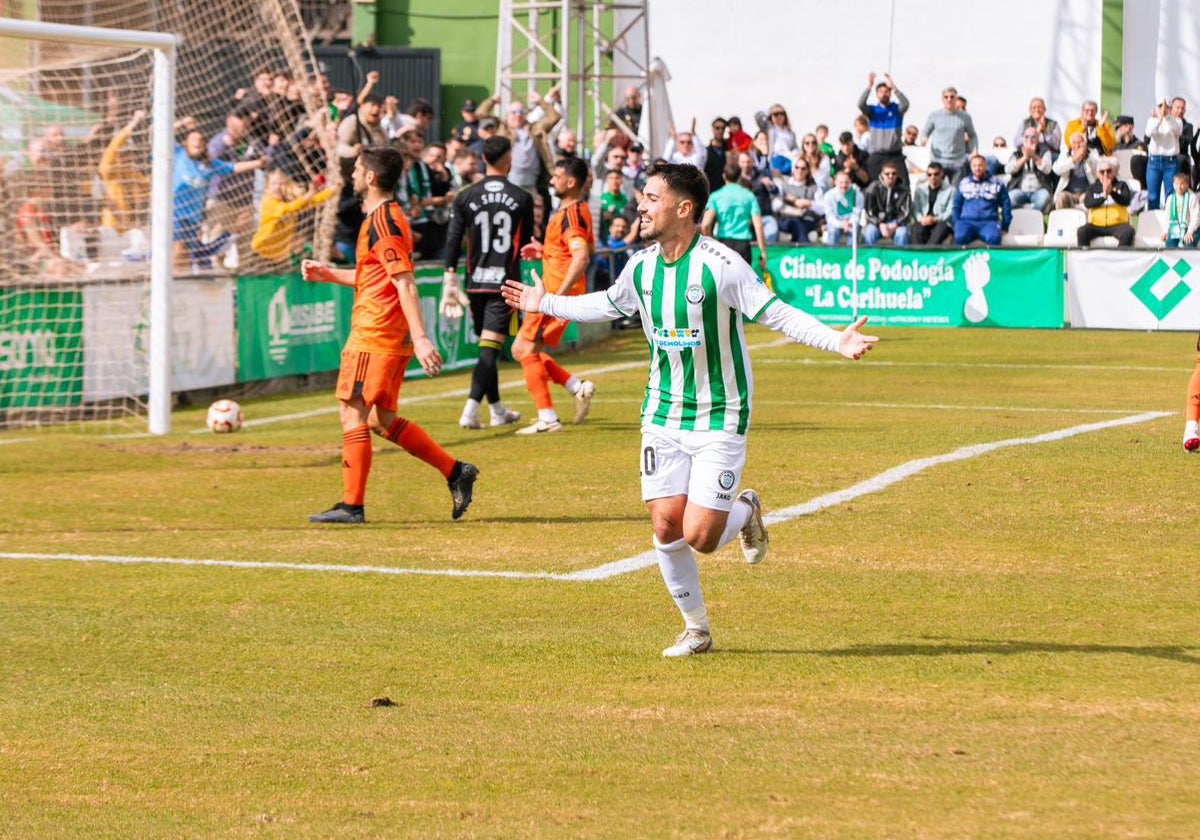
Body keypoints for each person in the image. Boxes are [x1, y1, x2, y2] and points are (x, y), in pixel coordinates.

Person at [500, 162, 878, 657]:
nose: (640, 205)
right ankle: (696, 628)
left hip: (721, 415)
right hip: (662, 414)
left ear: (683, 209)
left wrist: (835, 340)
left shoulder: (721, 266)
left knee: (699, 536)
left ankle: (745, 512)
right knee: (664, 525)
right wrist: (544, 301)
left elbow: (776, 313)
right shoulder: (641, 267)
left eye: (651, 198)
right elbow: (605, 305)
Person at [301, 145, 479, 524]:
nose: (351, 176)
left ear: (370, 177)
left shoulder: (384, 222)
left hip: (375, 333)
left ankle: (352, 506)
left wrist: (422, 338)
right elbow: (375, 278)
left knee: (352, 414)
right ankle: (455, 471)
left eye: (357, 170)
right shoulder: (383, 218)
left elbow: (405, 283)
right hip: (380, 332)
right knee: (379, 420)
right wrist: (329, 273)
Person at [441, 135, 534, 431]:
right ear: (509, 160)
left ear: (483, 159)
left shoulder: (465, 194)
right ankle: (470, 410)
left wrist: (450, 276)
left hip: (474, 283)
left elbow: (454, 239)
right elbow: (526, 242)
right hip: (505, 286)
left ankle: (496, 410)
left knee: (487, 347)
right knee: (488, 350)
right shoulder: (522, 198)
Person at [510, 156, 597, 435]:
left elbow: (581, 257)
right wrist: (544, 251)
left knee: (524, 350)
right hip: (553, 293)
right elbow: (582, 250)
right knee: (525, 350)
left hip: (555, 295)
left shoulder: (572, 213)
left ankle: (548, 418)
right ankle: (576, 387)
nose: (552, 180)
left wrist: (555, 299)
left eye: (557, 176)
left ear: (571, 182)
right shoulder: (570, 211)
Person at [251, 169, 335, 262]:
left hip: (279, 255)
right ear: (267, 187)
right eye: (273, 184)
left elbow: (310, 202)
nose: (278, 187)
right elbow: (288, 209)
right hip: (260, 251)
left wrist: (331, 191)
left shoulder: (288, 200)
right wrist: (309, 195)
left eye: (281, 183)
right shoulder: (268, 201)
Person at [701, 160, 768, 272]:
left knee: (722, 284)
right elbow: (759, 226)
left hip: (724, 243)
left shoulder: (716, 196)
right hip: (743, 245)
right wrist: (763, 251)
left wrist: (711, 243)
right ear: (739, 176)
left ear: (724, 176)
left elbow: (705, 225)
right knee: (741, 285)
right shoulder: (749, 196)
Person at [858, 72, 910, 186]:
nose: (884, 94)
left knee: (903, 184)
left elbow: (906, 104)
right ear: (877, 94)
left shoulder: (897, 110)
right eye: (881, 91)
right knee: (872, 184)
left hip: (895, 155)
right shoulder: (873, 111)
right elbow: (860, 104)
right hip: (877, 154)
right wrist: (869, 87)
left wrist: (894, 88)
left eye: (886, 91)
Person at [920, 85, 978, 183]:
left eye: (952, 97)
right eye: (946, 97)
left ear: (956, 99)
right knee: (936, 190)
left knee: (956, 192)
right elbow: (925, 132)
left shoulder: (965, 117)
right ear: (942, 99)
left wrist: (974, 150)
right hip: (938, 160)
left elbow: (972, 135)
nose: (949, 99)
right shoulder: (934, 115)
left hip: (958, 161)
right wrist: (924, 138)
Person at [952, 154, 1011, 246]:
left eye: (980, 165)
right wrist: (956, 223)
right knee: (960, 237)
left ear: (986, 166)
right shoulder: (964, 183)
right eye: (974, 166)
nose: (977, 168)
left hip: (989, 222)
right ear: (971, 167)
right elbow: (956, 206)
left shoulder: (997, 183)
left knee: (994, 238)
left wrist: (1005, 226)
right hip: (967, 222)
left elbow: (1006, 204)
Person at [1076, 157, 1134, 247]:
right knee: (1082, 231)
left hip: (1117, 224)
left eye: (1109, 171)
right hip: (1096, 225)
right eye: (1102, 172)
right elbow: (1088, 203)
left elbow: (1126, 201)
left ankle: (1120, 258)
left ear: (1114, 173)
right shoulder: (1092, 187)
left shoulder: (1122, 185)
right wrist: (1104, 196)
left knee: (1128, 231)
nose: (1105, 174)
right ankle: (1085, 258)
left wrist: (1111, 192)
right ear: (1097, 174)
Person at [1144, 100, 1182, 211]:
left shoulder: (1177, 121)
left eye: (1167, 107)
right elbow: (1149, 132)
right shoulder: (1152, 120)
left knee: (1171, 195)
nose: (1164, 109)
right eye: (1161, 107)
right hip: (1154, 161)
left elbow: (1177, 131)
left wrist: (1168, 117)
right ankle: (1153, 222)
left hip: (1171, 161)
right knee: (1153, 195)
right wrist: (1159, 118)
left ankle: (1171, 222)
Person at [1006, 127, 1055, 212]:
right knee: (1010, 198)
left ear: (1038, 139)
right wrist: (1025, 158)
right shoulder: (1016, 153)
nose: (1030, 139)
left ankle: (1031, 215)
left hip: (1039, 190)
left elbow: (1047, 169)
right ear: (1022, 138)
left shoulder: (1044, 151)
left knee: (1044, 198)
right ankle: (1023, 215)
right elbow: (1008, 169)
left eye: (1033, 137)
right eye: (1027, 137)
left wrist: (1033, 156)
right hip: (1020, 190)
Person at [862, 162, 911, 246]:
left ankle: (900, 258)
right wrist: (880, 224)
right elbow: (868, 212)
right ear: (882, 174)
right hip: (877, 222)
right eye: (887, 174)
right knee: (869, 232)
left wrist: (896, 224)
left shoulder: (904, 190)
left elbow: (906, 213)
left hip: (896, 222)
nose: (890, 176)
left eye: (893, 173)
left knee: (902, 233)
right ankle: (869, 257)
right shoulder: (873, 188)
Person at [910, 162, 955, 246]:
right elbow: (916, 209)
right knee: (916, 230)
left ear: (942, 174)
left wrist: (935, 219)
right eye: (929, 174)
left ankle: (928, 255)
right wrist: (922, 219)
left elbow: (950, 212)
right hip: (924, 220)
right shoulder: (920, 190)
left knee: (940, 231)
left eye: (936, 174)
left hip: (941, 221)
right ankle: (917, 255)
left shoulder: (950, 190)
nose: (933, 177)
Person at [1052, 132, 1098, 210]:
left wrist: (1086, 157)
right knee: (1061, 198)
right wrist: (1073, 160)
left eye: (1080, 143)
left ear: (1085, 143)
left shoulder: (1092, 154)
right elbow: (1056, 169)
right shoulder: (1066, 154)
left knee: (1088, 198)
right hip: (1069, 193)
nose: (1077, 146)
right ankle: (1061, 221)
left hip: (1085, 192)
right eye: (1074, 143)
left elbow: (1098, 168)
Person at [822, 170, 864, 245]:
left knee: (854, 230)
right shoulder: (828, 196)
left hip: (851, 223)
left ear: (850, 182)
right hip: (835, 223)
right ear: (835, 182)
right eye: (841, 182)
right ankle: (832, 254)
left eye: (846, 182)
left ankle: (850, 255)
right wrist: (841, 224)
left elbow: (857, 214)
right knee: (833, 230)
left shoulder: (857, 195)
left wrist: (849, 223)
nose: (844, 185)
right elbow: (830, 217)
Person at [1164, 171, 1199, 248]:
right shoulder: (1170, 198)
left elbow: (1195, 217)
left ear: (1187, 185)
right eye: (1177, 184)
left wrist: (1190, 231)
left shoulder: (1192, 197)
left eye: (1182, 184)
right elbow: (1167, 216)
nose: (1179, 187)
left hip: (1191, 229)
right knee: (1170, 243)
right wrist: (1166, 231)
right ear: (1173, 185)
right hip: (1175, 228)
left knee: (1189, 243)